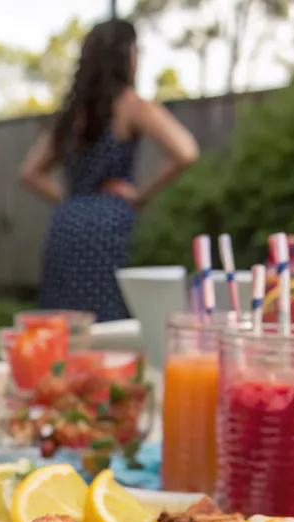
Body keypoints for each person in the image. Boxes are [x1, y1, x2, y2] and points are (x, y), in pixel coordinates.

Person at [18, 19, 200, 322]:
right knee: (109, 323)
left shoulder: (72, 114)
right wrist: (141, 196)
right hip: (110, 227)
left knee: (65, 325)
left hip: (66, 227)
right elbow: (186, 151)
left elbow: (30, 172)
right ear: (127, 55)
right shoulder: (131, 105)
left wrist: (70, 201)